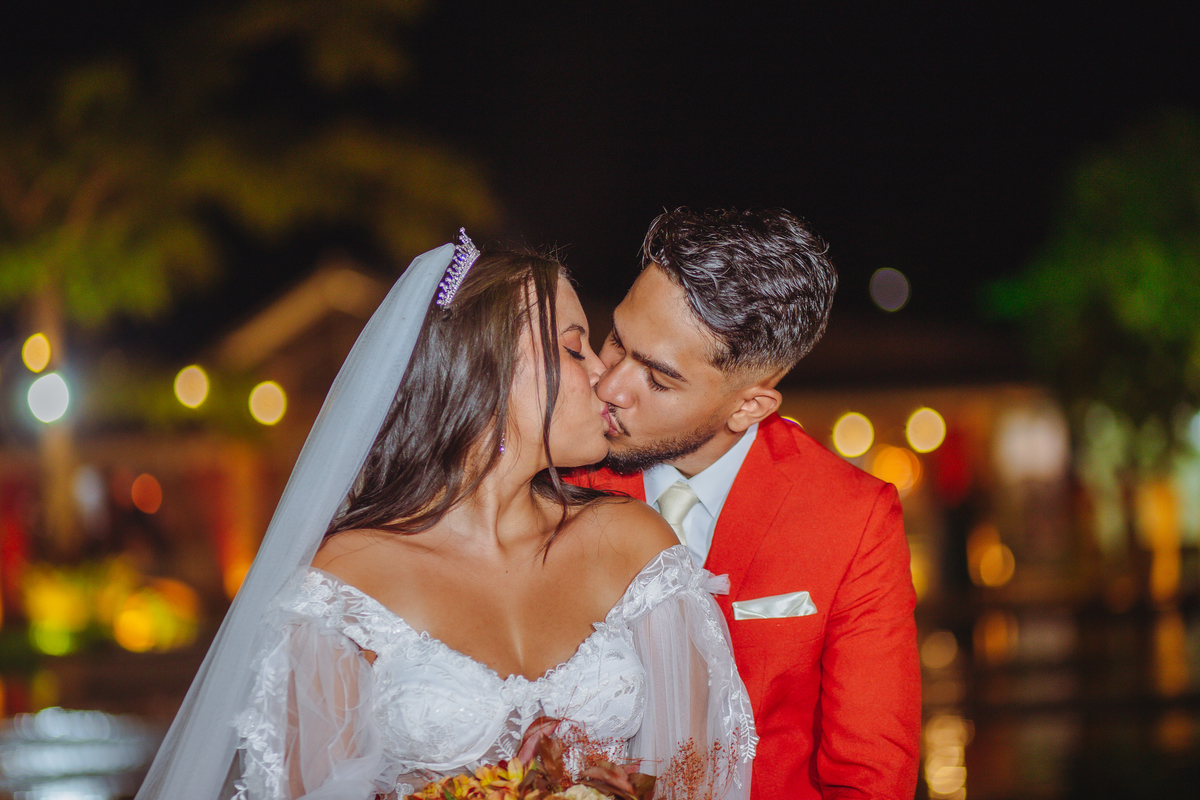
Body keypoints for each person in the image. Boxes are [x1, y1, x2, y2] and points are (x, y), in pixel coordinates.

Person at [135, 234, 755, 800]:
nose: (603, 376)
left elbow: (696, 781)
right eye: (574, 347)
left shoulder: (633, 549)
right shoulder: (347, 585)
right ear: (486, 372)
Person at [572, 209, 921, 799]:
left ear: (748, 407)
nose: (609, 386)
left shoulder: (853, 518)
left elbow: (869, 778)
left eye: (658, 379)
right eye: (617, 341)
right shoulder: (559, 471)